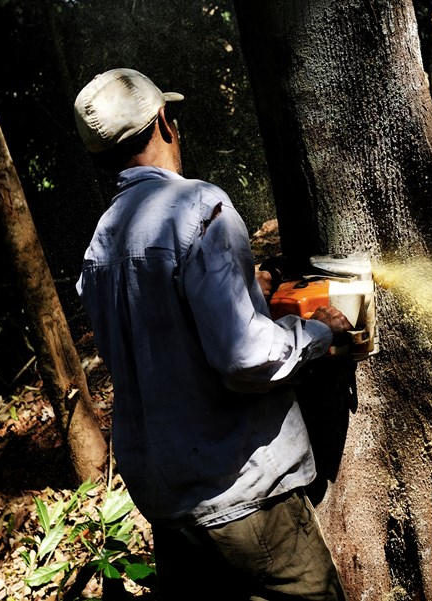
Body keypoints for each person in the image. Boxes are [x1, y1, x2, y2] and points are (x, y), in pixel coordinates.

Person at [72, 67, 351, 600]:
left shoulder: (99, 245)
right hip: (241, 496)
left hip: (171, 507)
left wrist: (246, 289)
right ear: (163, 123)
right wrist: (314, 334)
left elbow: (162, 337)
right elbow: (246, 359)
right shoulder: (198, 207)